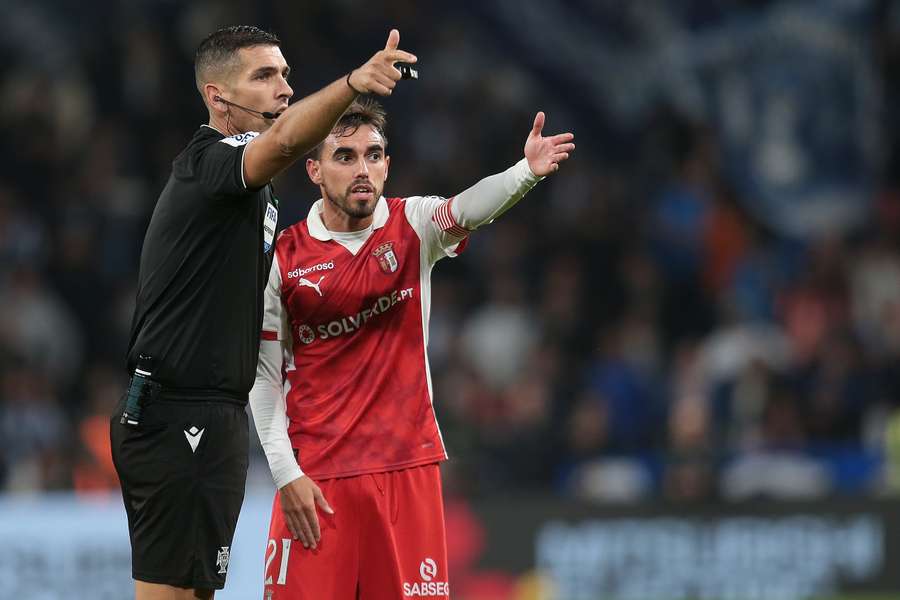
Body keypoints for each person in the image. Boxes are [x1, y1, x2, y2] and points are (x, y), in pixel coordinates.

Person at [109, 25, 417, 600]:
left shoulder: (254, 192)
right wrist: (352, 86)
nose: (283, 88)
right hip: (175, 411)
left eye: (285, 74)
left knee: (199, 593)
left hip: (220, 415)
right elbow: (282, 145)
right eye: (264, 76)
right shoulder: (210, 164)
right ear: (217, 97)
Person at [250, 98, 574, 599]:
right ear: (313, 169)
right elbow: (263, 376)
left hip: (407, 469)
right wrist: (285, 474)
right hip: (317, 478)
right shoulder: (284, 258)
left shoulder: (413, 226)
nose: (363, 169)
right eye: (345, 156)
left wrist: (523, 173)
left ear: (387, 164)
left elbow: (467, 207)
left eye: (373, 155)